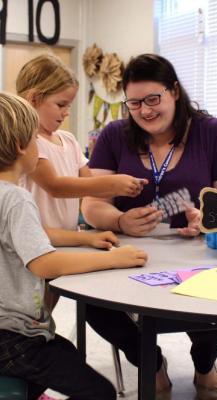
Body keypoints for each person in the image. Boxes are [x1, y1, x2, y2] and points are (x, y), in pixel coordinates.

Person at [81, 53, 217, 400]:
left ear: (174, 91)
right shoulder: (114, 136)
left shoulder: (212, 132)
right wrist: (119, 220)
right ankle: (150, 363)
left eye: (153, 99)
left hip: (201, 253)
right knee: (93, 304)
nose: (145, 111)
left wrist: (209, 220)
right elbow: (92, 205)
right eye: (135, 103)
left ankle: (204, 361)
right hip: (130, 253)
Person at [0, 92, 148, 400]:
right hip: (12, 335)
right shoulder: (15, 198)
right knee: (99, 392)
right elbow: (45, 263)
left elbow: (34, 234)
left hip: (12, 333)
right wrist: (115, 259)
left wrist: (86, 238)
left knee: (66, 353)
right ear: (20, 146)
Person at [17, 54, 145, 232]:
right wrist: (113, 183)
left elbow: (90, 186)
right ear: (34, 99)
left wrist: (127, 188)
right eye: (61, 105)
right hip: (37, 243)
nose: (66, 112)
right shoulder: (28, 142)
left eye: (69, 105)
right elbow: (56, 187)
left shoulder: (68, 140)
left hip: (68, 240)